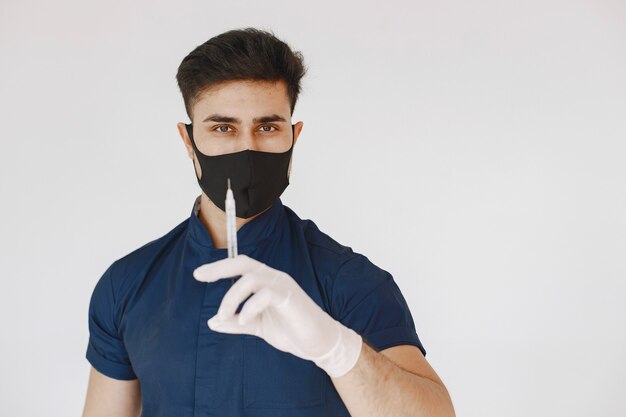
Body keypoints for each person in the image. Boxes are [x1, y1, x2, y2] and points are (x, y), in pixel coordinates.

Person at [81, 27, 455, 417]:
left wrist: (336, 348)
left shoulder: (349, 282)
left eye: (268, 127)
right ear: (188, 141)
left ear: (294, 137)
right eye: (223, 128)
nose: (247, 148)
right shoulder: (127, 285)